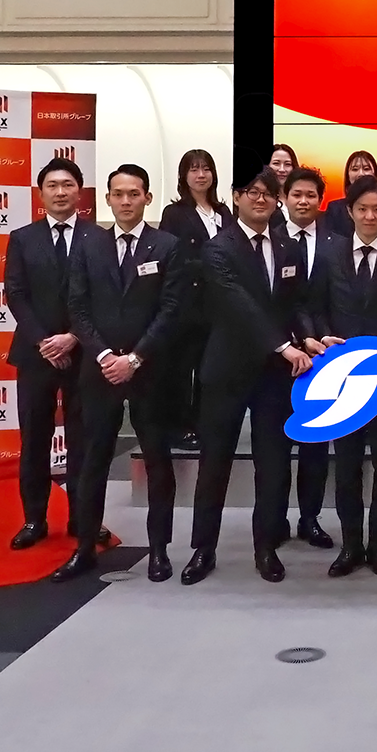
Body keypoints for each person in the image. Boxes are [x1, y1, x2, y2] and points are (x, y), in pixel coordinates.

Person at [53, 163, 187, 583]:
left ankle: (159, 550)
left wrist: (135, 359)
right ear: (107, 198)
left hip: (151, 372)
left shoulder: (167, 246)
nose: (126, 201)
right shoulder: (88, 245)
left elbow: (171, 309)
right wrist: (106, 356)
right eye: (118, 194)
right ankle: (84, 548)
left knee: (158, 463)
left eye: (134, 194)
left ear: (147, 198)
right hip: (99, 372)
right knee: (91, 462)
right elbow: (77, 308)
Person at [184, 167, 314, 585]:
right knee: (215, 463)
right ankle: (203, 549)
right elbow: (239, 305)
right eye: (251, 192)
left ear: (278, 201)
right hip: (227, 369)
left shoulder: (288, 246)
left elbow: (295, 303)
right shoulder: (218, 247)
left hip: (273, 375)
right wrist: (283, 345)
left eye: (268, 193)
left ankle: (266, 547)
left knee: (273, 464)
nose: (260, 199)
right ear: (236, 197)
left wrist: (308, 337)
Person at [305, 176, 377, 578]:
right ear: (349, 211)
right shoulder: (329, 253)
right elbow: (312, 305)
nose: (370, 216)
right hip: (342, 376)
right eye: (362, 209)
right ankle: (351, 544)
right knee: (348, 464)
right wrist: (320, 336)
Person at [3, 157, 104, 551]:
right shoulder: (22, 238)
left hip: (84, 354)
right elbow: (16, 294)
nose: (60, 192)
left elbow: (104, 297)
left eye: (68, 185)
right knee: (35, 439)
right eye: (52, 186)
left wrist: (74, 338)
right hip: (36, 354)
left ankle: (83, 518)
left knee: (84, 440)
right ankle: (34, 519)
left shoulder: (98, 238)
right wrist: (45, 341)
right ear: (41, 193)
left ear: (80, 192)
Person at [275, 166, 335, 549]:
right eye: (296, 194)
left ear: (320, 200)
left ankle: (310, 518)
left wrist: (320, 337)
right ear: (284, 198)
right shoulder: (269, 238)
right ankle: (275, 517)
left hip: (322, 356)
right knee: (276, 446)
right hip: (277, 356)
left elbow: (335, 299)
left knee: (315, 443)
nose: (303, 201)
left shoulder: (337, 242)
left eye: (311, 195)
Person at [157, 149, 231, 451]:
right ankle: (179, 427)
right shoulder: (175, 213)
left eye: (206, 168)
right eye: (194, 169)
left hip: (219, 305)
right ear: (183, 176)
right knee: (181, 369)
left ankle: (204, 425)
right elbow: (171, 258)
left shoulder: (224, 211)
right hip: (187, 304)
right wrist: (208, 266)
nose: (201, 175)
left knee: (209, 370)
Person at [320, 149, 377, 239]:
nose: (361, 174)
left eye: (366, 169)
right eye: (355, 169)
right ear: (348, 175)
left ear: (375, 173)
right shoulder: (335, 209)